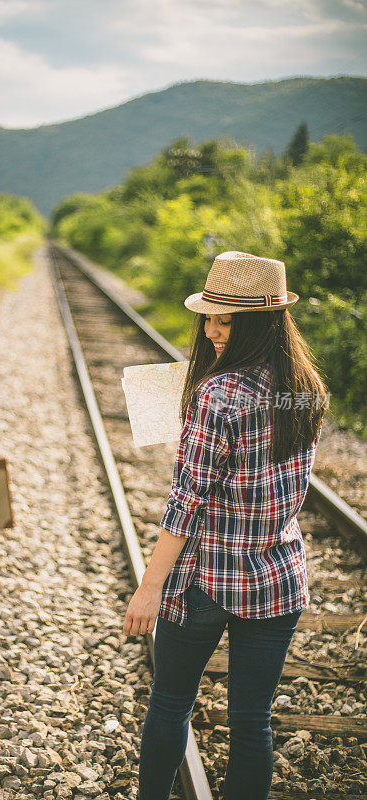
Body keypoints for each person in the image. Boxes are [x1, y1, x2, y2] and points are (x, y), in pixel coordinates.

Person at [123, 251, 328, 800]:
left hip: (205, 581)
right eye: (209, 319)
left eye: (226, 321)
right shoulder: (303, 387)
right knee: (252, 724)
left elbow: (185, 501)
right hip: (277, 578)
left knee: (169, 705)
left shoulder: (219, 394)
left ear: (258, 322)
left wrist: (149, 587)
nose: (212, 331)